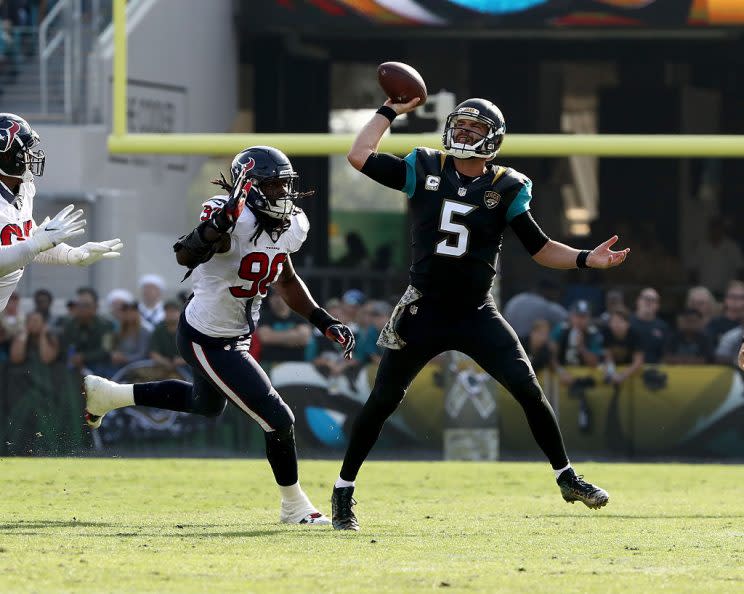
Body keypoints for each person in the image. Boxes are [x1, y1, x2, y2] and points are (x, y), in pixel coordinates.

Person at [333, 96, 629, 530]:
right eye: (462, 125)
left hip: (476, 311)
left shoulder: (508, 185)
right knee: (383, 400)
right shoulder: (424, 166)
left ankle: (567, 477)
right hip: (424, 308)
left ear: (493, 139)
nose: (465, 134)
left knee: (528, 388)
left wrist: (586, 258)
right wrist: (389, 111)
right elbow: (359, 156)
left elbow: (541, 249)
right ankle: (343, 493)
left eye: (475, 129)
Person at [82, 146, 355, 525]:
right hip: (206, 335)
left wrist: (324, 320)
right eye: (274, 186)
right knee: (278, 417)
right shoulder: (230, 215)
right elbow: (186, 255)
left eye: (285, 185)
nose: (283, 193)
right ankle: (294, 506)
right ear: (252, 186)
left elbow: (286, 279)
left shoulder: (293, 223)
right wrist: (219, 224)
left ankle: (110, 395)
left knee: (206, 404)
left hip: (236, 334)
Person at [0, 113, 123, 312]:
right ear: (5, 156)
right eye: (25, 151)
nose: (31, 156)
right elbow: (26, 248)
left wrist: (71, 254)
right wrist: (36, 243)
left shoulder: (23, 187)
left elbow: (25, 241)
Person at [630, 287, 669, 364]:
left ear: (658, 305)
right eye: (645, 299)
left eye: (653, 300)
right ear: (638, 301)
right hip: (627, 369)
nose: (648, 302)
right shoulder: (627, 323)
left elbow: (665, 354)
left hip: (654, 370)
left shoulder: (663, 327)